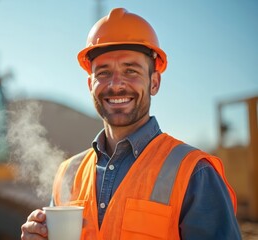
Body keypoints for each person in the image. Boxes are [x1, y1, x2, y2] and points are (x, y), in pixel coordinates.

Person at [21, 8, 241, 239]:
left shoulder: (194, 172)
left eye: (131, 71)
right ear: (90, 85)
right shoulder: (68, 173)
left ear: (154, 82)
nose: (116, 85)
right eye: (103, 73)